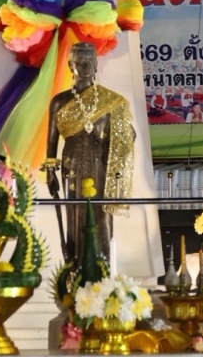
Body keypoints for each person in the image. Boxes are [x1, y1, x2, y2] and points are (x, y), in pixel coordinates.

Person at [43, 42, 135, 265]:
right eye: (80, 62)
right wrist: (50, 172)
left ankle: (102, 265)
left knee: (101, 214)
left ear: (96, 65)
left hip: (100, 163)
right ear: (70, 65)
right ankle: (76, 266)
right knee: (75, 214)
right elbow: (52, 141)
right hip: (72, 163)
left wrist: (112, 137)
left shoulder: (110, 101)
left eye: (89, 62)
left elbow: (127, 135)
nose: (85, 67)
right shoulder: (60, 101)